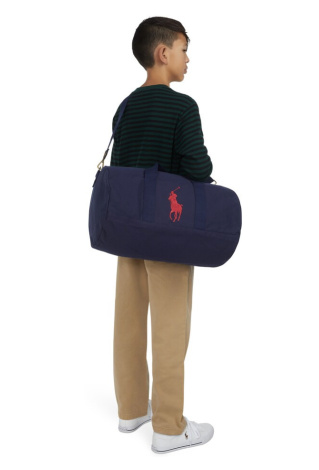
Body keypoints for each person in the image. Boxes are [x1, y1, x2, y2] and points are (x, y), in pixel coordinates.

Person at [110, 16, 215, 454]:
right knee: (170, 330)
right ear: (163, 52)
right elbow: (198, 169)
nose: (188, 59)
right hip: (169, 234)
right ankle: (170, 427)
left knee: (129, 322)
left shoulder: (126, 105)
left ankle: (132, 409)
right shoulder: (182, 107)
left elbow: (121, 167)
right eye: (184, 49)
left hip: (128, 230)